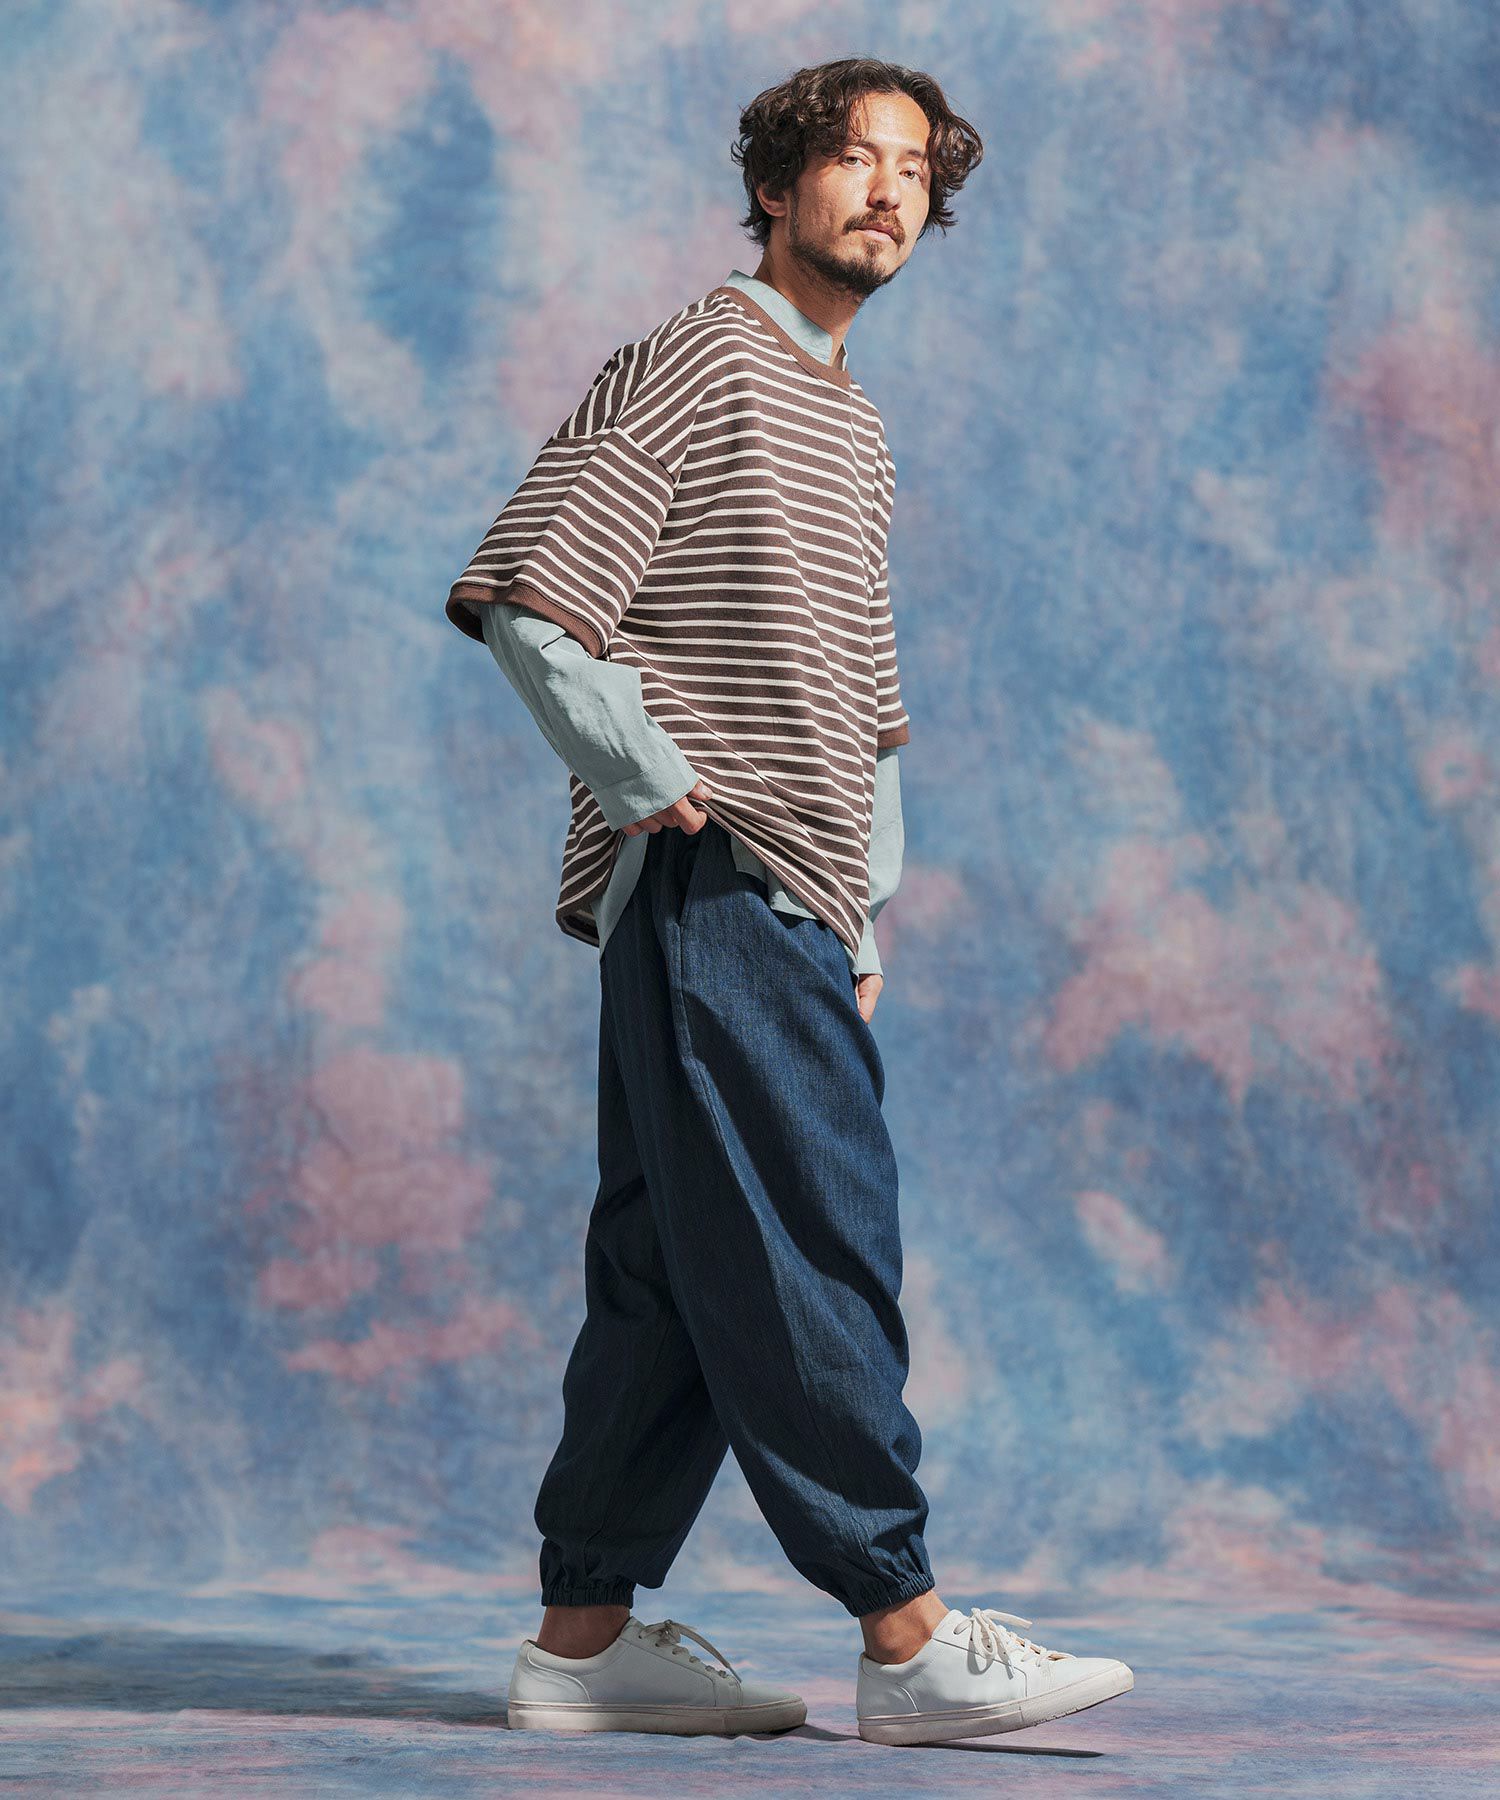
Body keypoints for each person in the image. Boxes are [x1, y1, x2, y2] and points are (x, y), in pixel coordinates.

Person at [443, 57, 1135, 1747]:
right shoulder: (703, 355)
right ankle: (907, 1638)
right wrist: (645, 773)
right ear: (774, 185)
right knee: (816, 1240)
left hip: (788, 899)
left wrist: (862, 910)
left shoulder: (852, 422)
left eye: (915, 171)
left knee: (669, 1275)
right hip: (718, 879)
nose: (888, 190)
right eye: (852, 158)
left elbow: (862, 700)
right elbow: (531, 594)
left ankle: (581, 1643)